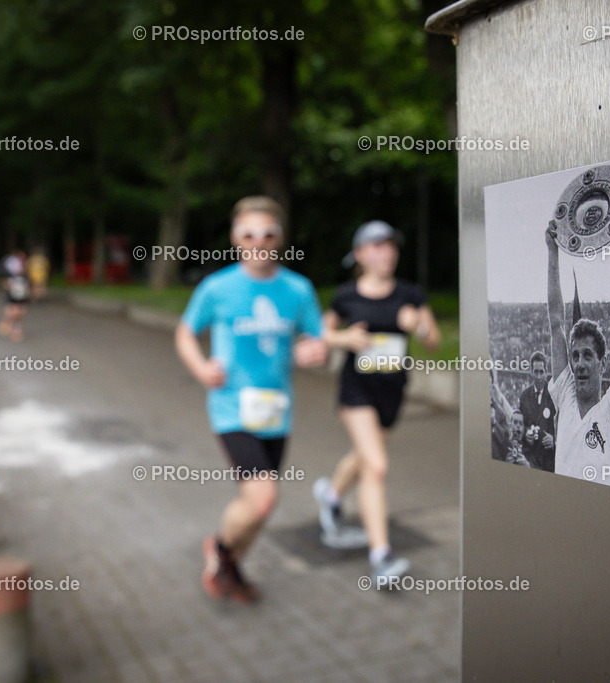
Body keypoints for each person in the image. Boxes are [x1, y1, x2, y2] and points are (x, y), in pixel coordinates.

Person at [175, 196, 327, 604]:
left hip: (276, 411)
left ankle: (229, 568)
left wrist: (314, 351)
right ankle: (220, 549)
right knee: (264, 496)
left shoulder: (298, 289)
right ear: (235, 238)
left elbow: (316, 338)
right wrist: (200, 368)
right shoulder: (217, 287)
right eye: (248, 234)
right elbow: (185, 333)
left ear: (280, 238)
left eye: (267, 234)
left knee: (259, 505)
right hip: (231, 408)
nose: (258, 242)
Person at [313, 220, 440, 582]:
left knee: (364, 455)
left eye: (390, 246)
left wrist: (418, 325)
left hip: (392, 391)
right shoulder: (346, 296)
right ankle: (381, 556)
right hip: (357, 391)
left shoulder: (410, 294)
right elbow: (320, 333)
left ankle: (331, 496)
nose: (386, 253)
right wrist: (345, 339)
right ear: (359, 254)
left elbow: (433, 341)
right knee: (376, 466)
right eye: (376, 246)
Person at [544, 201, 610, 486]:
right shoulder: (566, 395)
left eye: (587, 355)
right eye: (575, 355)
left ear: (603, 362)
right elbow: (555, 323)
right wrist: (552, 252)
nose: (579, 363)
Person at [516, 351, 556, 472]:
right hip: (530, 460)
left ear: (546, 372)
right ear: (531, 372)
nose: (538, 377)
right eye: (536, 372)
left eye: (541, 372)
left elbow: (563, 426)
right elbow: (519, 426)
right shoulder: (524, 396)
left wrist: (554, 440)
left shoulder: (554, 396)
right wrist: (526, 435)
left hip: (549, 461)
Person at [0, 250, 31, 341]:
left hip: (22, 296)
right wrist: (9, 286)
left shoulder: (26, 274)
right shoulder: (12, 272)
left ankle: (14, 326)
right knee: (15, 312)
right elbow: (5, 283)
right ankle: (13, 329)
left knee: (22, 313)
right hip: (13, 296)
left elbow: (28, 284)